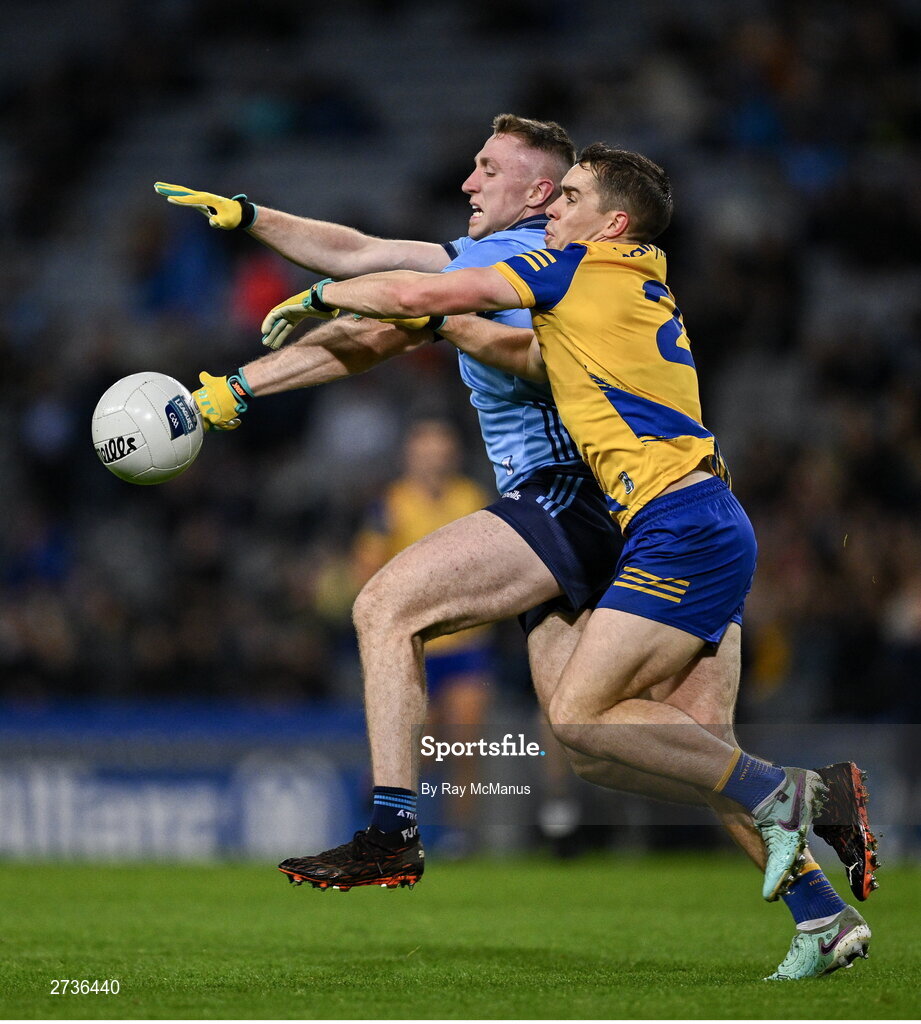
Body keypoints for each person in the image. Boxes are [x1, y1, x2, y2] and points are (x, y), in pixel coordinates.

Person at [156, 119, 875, 976]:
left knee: (387, 607)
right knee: (643, 741)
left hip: (579, 501)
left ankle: (392, 825)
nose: (467, 181)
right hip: (645, 511)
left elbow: (408, 317)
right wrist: (250, 218)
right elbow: (356, 251)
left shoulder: (548, 260)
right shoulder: (522, 260)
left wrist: (245, 381)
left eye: (490, 169)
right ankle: (818, 908)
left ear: (545, 197)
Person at [354, 417, 497, 853]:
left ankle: (459, 835)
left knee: (466, 740)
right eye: (425, 448)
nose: (434, 456)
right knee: (424, 748)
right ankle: (381, 791)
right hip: (416, 645)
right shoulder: (391, 505)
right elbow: (365, 568)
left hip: (467, 642)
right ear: (411, 455)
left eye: (441, 448)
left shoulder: (471, 498)